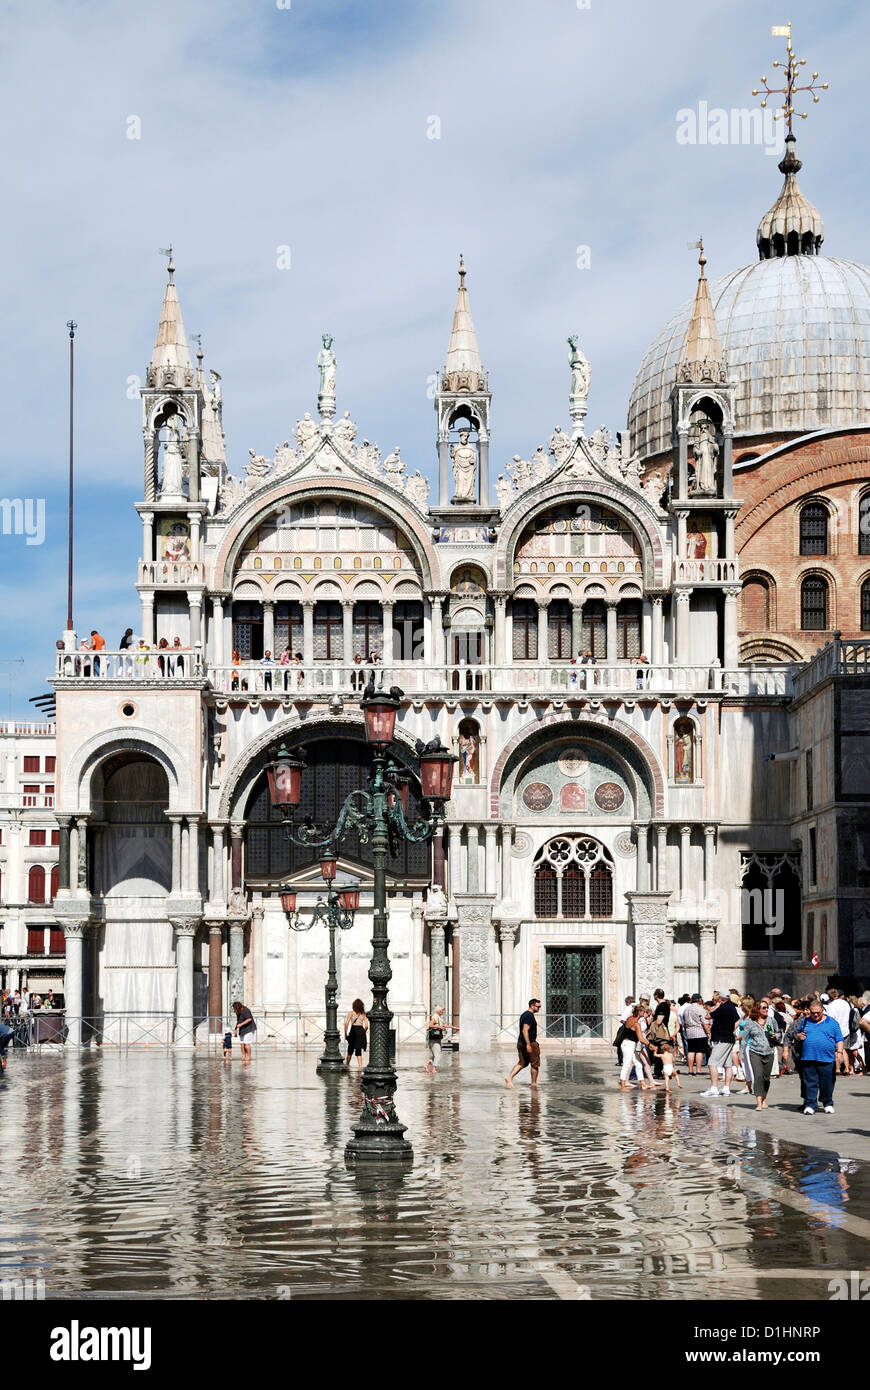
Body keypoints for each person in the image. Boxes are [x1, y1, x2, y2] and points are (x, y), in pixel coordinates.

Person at [798, 999, 846, 1114]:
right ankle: (810, 1104)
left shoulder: (832, 1023)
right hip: (808, 1058)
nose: (815, 1015)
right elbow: (799, 1033)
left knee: (827, 1083)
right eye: (813, 1012)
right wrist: (799, 1036)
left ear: (822, 1011)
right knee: (810, 1083)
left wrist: (839, 1053)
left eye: (818, 1012)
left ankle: (827, 1103)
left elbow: (839, 1039)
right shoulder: (805, 1021)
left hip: (827, 1058)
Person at [701, 991, 740, 1096]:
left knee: (712, 1063)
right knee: (728, 1065)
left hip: (722, 1039)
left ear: (720, 999)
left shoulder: (722, 1008)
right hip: (729, 1038)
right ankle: (726, 1088)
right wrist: (732, 1029)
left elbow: (707, 1016)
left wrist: (716, 1006)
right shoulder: (732, 1007)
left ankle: (714, 1088)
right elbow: (738, 1019)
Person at [742, 1002, 775, 1109]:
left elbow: (779, 1034)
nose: (766, 1010)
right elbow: (744, 1039)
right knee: (758, 1076)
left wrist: (776, 1035)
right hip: (755, 1052)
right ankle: (759, 1102)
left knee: (766, 1078)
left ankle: (764, 1098)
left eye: (767, 1008)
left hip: (769, 1052)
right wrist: (741, 1053)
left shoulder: (771, 1020)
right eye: (764, 1008)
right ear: (758, 1009)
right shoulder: (750, 1022)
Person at [505, 998, 542, 1089]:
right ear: (532, 1005)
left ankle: (509, 1077)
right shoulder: (529, 1016)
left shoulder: (524, 1014)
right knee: (535, 1063)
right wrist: (528, 1044)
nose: (539, 1008)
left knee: (522, 1063)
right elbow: (525, 1030)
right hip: (530, 1043)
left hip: (521, 1042)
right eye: (538, 1006)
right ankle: (534, 1083)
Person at [618, 1004, 650, 1091]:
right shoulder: (636, 1024)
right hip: (628, 1045)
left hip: (628, 1044)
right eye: (643, 1011)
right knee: (626, 1065)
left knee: (638, 1064)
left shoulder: (629, 1019)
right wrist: (651, 1045)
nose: (644, 1013)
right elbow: (641, 1038)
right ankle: (623, 1086)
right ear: (639, 1012)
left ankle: (643, 1084)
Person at [682, 993, 709, 1076]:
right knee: (699, 1051)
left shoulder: (686, 1009)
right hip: (699, 1031)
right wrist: (708, 1031)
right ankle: (698, 1069)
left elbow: (683, 1022)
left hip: (689, 1031)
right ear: (699, 1000)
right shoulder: (700, 1009)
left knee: (691, 1050)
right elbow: (704, 1022)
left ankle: (690, 1070)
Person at [344, 999, 368, 1073]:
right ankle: (360, 1067)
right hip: (361, 1031)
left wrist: (345, 1033)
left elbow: (347, 1024)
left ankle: (347, 1065)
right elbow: (367, 1026)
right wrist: (363, 1032)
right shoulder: (363, 1014)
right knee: (358, 1050)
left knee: (350, 1049)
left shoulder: (351, 1013)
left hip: (353, 1030)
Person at [424, 1006, 447, 1073]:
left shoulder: (439, 1018)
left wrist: (455, 1027)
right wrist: (440, 1027)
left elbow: (445, 1025)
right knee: (438, 1054)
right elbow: (430, 1025)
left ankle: (426, 1065)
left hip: (437, 1038)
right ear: (439, 1011)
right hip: (434, 1038)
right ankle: (434, 1068)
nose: (444, 1012)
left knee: (434, 1054)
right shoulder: (435, 1016)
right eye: (443, 1010)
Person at [232, 999, 256, 1063]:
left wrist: (241, 1024)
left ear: (238, 1007)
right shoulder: (238, 1012)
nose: (234, 1010)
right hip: (242, 1029)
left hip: (249, 1028)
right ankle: (243, 1056)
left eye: (235, 1009)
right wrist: (235, 1029)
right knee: (242, 1044)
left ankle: (249, 1056)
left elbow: (249, 1019)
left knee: (246, 1044)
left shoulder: (246, 1010)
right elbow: (238, 1021)